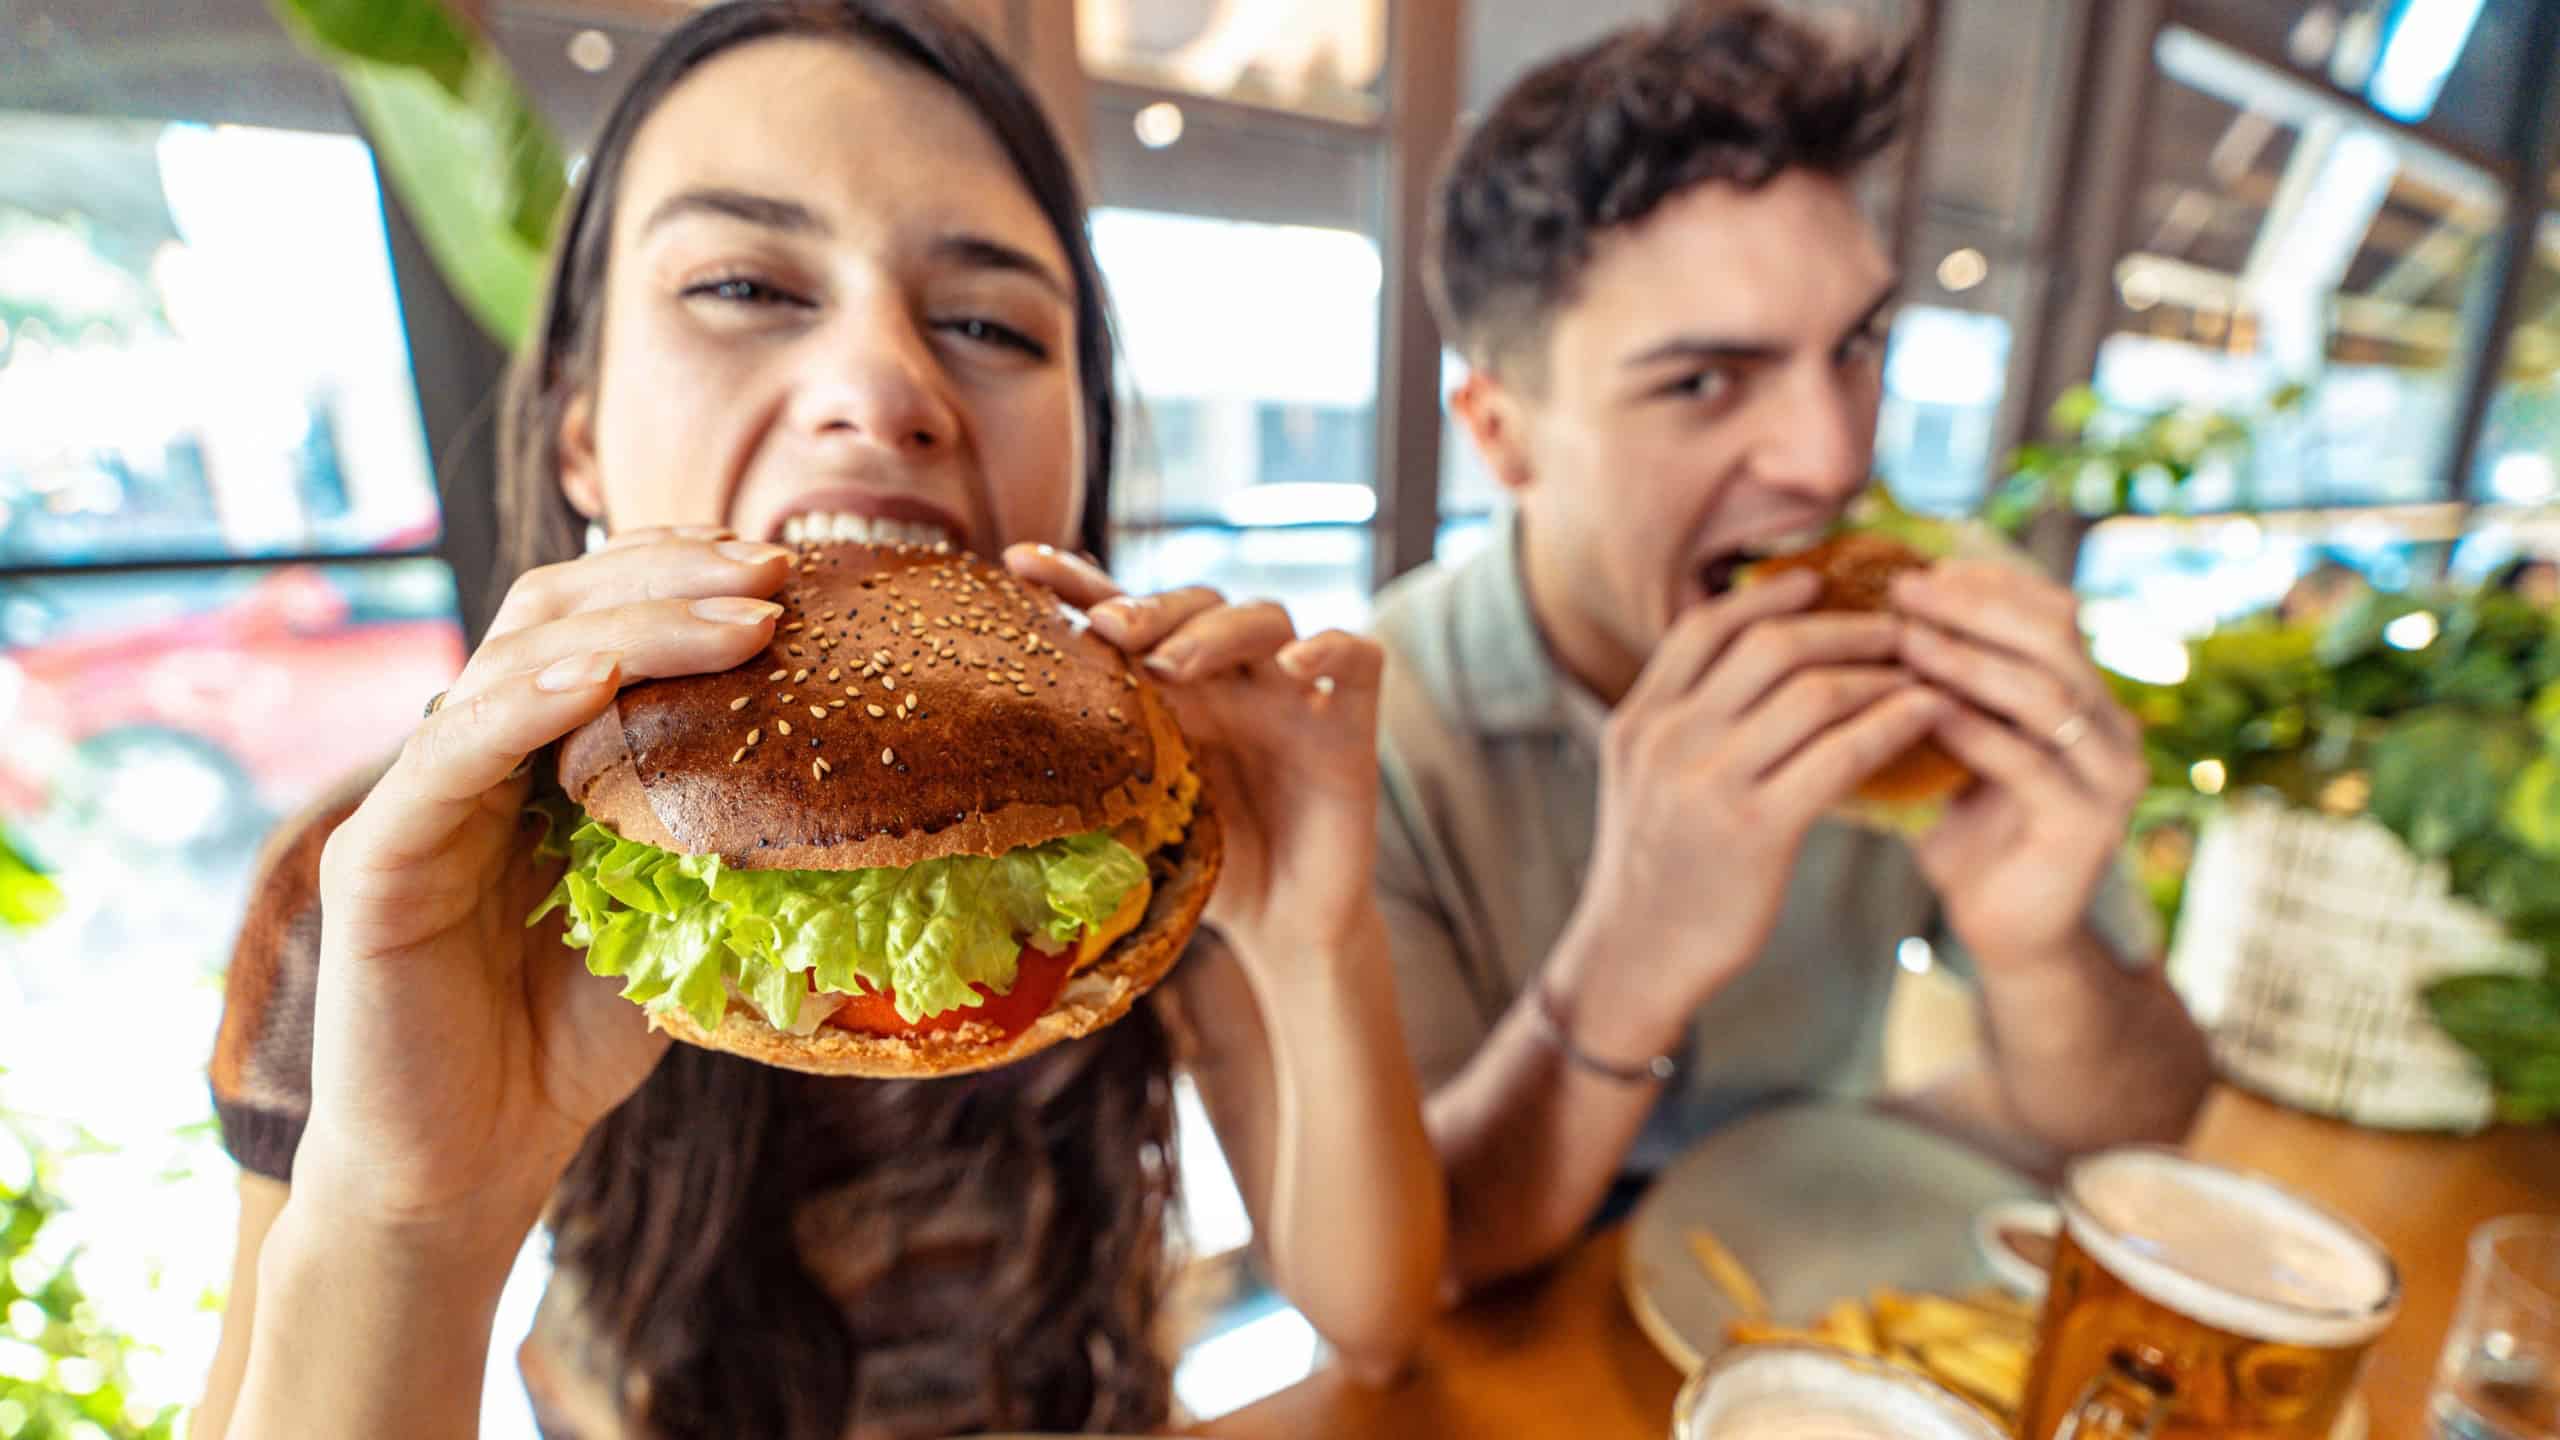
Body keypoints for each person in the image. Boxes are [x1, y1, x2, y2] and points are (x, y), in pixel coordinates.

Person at [195, 5, 1444, 1437]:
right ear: (578, 429)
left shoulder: (1129, 818)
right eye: (740, 285)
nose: (885, 390)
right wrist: (415, 1219)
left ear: (1083, 438)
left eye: (987, 323)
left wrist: (1312, 938)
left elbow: (1376, 1324)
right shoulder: (384, 894)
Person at [1372, 2, 2213, 1293]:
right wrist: (1629, 958)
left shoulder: (1954, 630)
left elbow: (2137, 1123)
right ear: (1503, 434)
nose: (1831, 458)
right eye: (1704, 382)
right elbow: (1416, 1266)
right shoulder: (1374, 734)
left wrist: (2041, 942)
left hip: (1820, 1283)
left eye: (1858, 346)